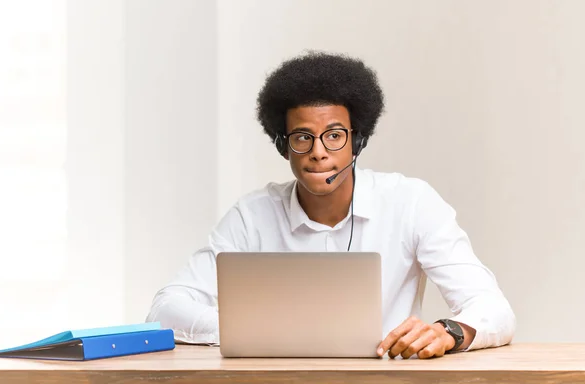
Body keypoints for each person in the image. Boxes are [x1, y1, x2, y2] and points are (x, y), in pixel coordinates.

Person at [146, 51, 515, 359]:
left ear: (358, 141)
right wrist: (251, 330)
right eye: (303, 137)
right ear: (282, 145)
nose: (319, 152)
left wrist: (450, 331)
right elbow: (166, 309)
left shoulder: (411, 202)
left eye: (334, 136)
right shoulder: (252, 215)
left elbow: (494, 309)